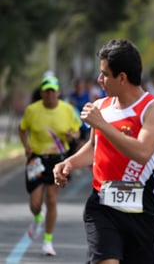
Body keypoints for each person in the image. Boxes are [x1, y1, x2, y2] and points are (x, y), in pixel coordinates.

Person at [53, 39, 154, 264]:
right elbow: (94, 147)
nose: (99, 80)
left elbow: (143, 152)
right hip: (102, 205)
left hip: (141, 210)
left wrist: (103, 125)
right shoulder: (101, 107)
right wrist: (69, 163)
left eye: (105, 74)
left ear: (122, 78)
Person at [18, 75, 81, 256]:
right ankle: (37, 218)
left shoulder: (68, 110)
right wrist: (26, 146)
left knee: (52, 198)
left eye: (53, 90)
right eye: (47, 91)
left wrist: (73, 137)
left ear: (58, 92)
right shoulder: (32, 110)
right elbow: (22, 129)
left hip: (58, 158)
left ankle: (47, 241)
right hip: (36, 160)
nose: (50, 94)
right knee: (35, 203)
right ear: (42, 93)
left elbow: (78, 132)